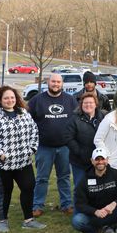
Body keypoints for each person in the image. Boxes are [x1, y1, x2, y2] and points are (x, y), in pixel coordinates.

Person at [0, 85, 46, 232]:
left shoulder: (24, 114)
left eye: (12, 97)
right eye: (6, 98)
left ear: (16, 99)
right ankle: (3, 220)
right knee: (5, 190)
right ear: (0, 100)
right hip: (1, 163)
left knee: (28, 187)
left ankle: (28, 220)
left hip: (23, 160)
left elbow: (34, 131)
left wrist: (32, 149)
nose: (10, 100)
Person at [29, 73, 77, 217]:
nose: (56, 84)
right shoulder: (37, 100)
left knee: (64, 177)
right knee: (42, 178)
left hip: (64, 147)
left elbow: (77, 120)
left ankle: (67, 204)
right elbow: (27, 120)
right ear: (48, 82)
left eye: (58, 82)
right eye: (53, 81)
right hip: (44, 147)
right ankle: (37, 205)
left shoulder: (70, 100)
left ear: (62, 84)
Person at [67, 93, 105, 195]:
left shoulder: (103, 117)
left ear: (96, 104)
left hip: (99, 160)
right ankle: (79, 210)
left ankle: (95, 210)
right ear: (81, 104)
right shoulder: (74, 119)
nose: (88, 105)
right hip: (80, 161)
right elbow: (69, 138)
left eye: (91, 102)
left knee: (98, 187)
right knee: (80, 187)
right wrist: (80, 152)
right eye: (85, 103)